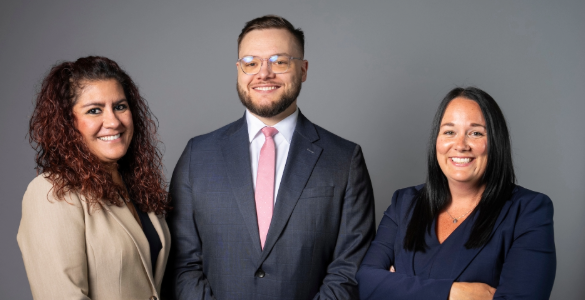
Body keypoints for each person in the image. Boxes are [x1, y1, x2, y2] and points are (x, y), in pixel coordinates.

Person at [163, 15, 375, 299]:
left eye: (280, 61)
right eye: (251, 63)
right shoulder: (197, 156)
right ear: (239, 70)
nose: (264, 74)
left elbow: (349, 269)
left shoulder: (344, 160)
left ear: (303, 70)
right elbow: (182, 264)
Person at [356, 87, 556, 299]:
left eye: (475, 133)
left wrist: (397, 287)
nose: (460, 145)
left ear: (496, 142)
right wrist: (453, 292)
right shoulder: (404, 203)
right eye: (449, 132)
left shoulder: (528, 211)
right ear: (437, 140)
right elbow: (366, 281)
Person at [17, 56, 171, 300]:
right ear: (68, 122)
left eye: (120, 106)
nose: (113, 121)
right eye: (94, 110)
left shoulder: (136, 186)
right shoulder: (51, 193)